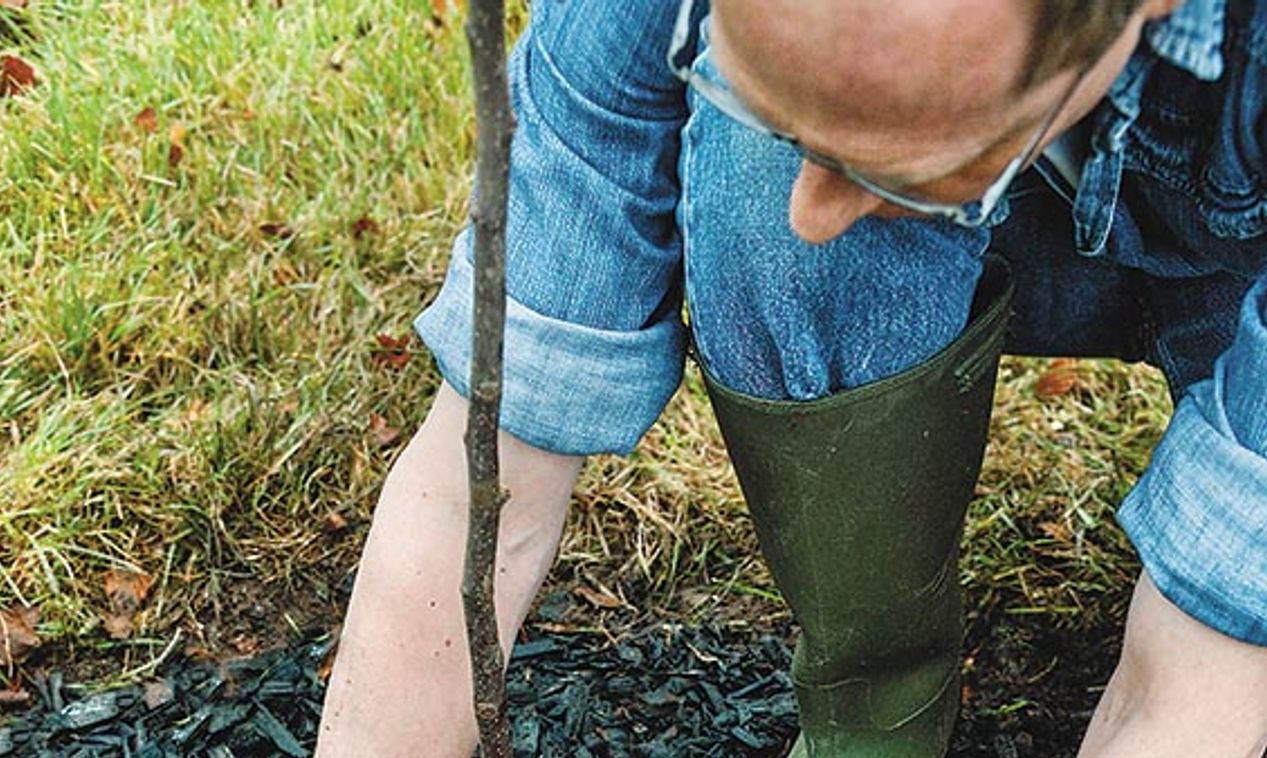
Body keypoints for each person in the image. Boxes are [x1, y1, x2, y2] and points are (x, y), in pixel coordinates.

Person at [316, 0, 1267, 755]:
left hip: (1234, 246)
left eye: (884, 170)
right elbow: (484, 479)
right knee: (759, 186)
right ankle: (876, 722)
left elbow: (1189, 682)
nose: (813, 213)